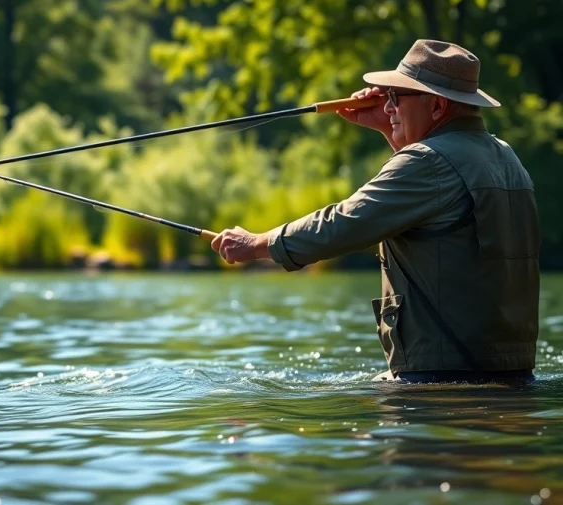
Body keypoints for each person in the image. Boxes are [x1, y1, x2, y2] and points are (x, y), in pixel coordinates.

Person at [211, 39, 541, 384]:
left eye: (397, 97)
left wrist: (258, 243)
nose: (388, 107)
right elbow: (430, 198)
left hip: (442, 379)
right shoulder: (505, 157)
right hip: (508, 375)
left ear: (438, 107)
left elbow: (345, 222)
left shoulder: (427, 163)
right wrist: (390, 129)